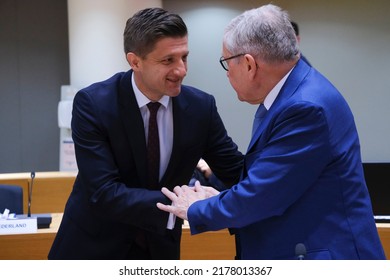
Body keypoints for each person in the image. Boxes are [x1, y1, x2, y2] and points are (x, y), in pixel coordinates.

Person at [157, 4, 386, 260]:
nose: (227, 73)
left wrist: (197, 208)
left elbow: (262, 196)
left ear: (249, 64)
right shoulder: (293, 94)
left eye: (226, 62)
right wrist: (223, 197)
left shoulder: (304, 108)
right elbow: (274, 183)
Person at [48, 7, 243, 260]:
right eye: (168, 60)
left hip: (160, 251)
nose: (181, 70)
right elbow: (104, 192)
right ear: (135, 61)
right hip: (93, 249)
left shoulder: (200, 107)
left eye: (184, 57)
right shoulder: (94, 104)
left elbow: (235, 171)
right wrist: (184, 205)